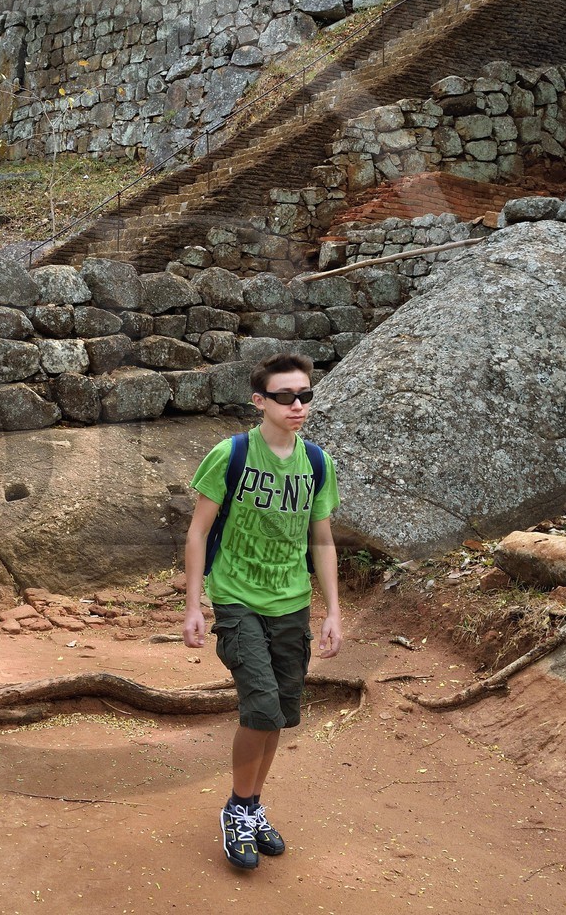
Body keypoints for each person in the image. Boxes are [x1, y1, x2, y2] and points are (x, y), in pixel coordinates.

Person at [181, 352, 342, 871]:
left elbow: (321, 539)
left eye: (305, 396)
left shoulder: (316, 463)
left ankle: (250, 806)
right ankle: (238, 810)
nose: (297, 406)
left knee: (278, 716)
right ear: (260, 402)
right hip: (237, 598)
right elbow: (198, 531)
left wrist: (333, 611)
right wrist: (194, 605)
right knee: (260, 708)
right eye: (285, 397)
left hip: (291, 602)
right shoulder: (230, 455)